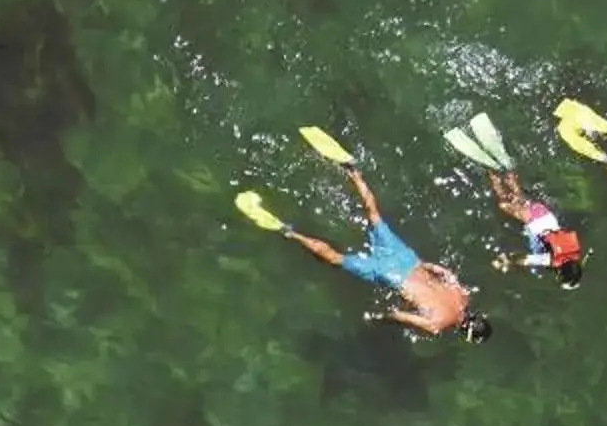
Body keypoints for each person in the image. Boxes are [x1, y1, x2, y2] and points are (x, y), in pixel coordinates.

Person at [235, 140, 492, 342]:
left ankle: (353, 171)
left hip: (409, 260)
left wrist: (424, 266)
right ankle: (289, 231)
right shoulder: (437, 326)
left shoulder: (463, 296)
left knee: (374, 215)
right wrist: (379, 318)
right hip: (389, 275)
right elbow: (399, 315)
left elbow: (443, 271)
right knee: (335, 259)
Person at [484, 171, 586, 288]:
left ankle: (510, 174)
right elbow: (524, 259)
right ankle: (492, 175)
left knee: (521, 197)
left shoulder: (573, 253)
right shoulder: (548, 260)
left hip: (545, 214)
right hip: (532, 219)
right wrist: (508, 262)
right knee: (503, 203)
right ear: (560, 273)